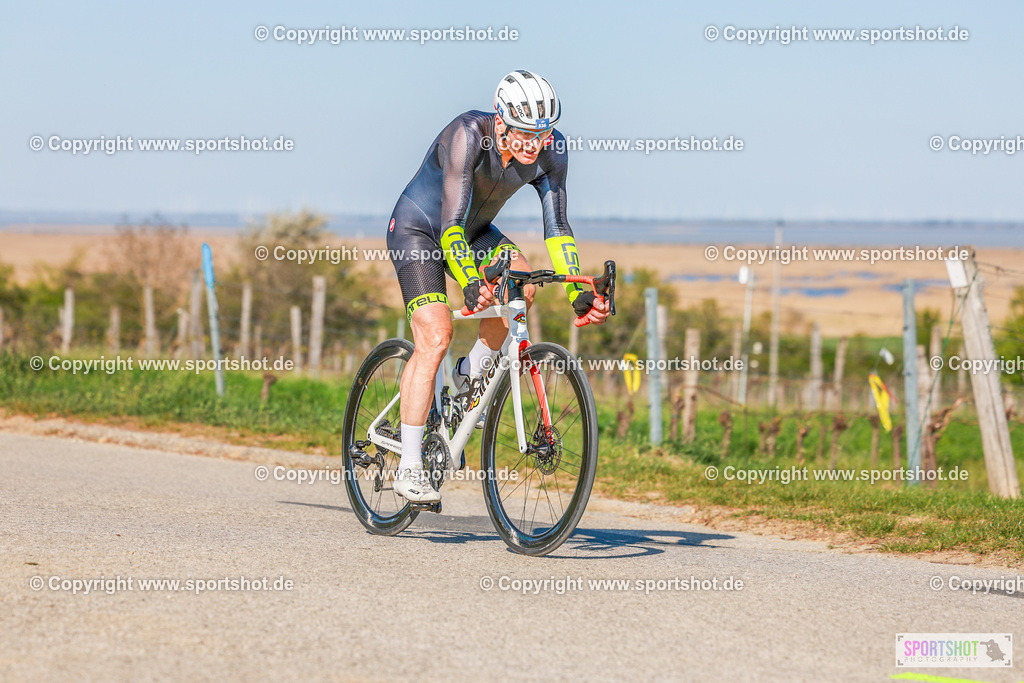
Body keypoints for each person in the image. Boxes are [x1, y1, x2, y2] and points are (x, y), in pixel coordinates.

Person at [386, 70, 609, 503]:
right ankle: (410, 466)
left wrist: (577, 292)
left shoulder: (551, 150)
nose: (534, 145)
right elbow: (450, 225)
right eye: (525, 134)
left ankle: (469, 377)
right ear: (502, 120)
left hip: (475, 231)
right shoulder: (468, 134)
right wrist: (470, 281)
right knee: (435, 335)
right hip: (422, 231)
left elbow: (558, 228)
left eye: (542, 135)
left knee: (521, 283)